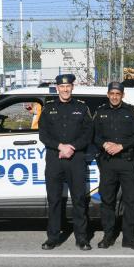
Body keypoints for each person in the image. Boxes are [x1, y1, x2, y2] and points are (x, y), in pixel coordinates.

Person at [38, 73, 93, 250]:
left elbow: (88, 134)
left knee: (78, 200)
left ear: (72, 87)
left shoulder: (82, 108)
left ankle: (82, 238)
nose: (65, 89)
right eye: (62, 87)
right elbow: (43, 134)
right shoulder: (48, 108)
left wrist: (72, 147)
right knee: (54, 200)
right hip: (55, 159)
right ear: (57, 88)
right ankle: (53, 237)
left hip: (76, 159)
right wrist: (60, 146)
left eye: (68, 86)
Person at [93, 82, 134, 250]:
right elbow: (93, 135)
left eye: (118, 93)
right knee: (107, 200)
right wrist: (104, 144)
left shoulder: (130, 111)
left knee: (131, 200)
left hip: (127, 161)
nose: (114, 96)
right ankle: (108, 235)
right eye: (112, 93)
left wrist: (121, 146)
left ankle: (129, 237)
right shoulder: (100, 112)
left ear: (122, 95)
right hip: (108, 162)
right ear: (108, 94)